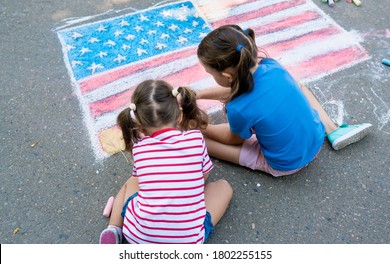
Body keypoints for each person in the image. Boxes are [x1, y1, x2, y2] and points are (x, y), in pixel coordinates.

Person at [195, 24, 372, 177]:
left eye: (210, 73)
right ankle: (332, 130)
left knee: (202, 140)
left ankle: (194, 135)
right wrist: (200, 94)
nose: (210, 76)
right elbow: (240, 88)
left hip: (287, 164)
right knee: (296, 90)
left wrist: (200, 126)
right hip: (316, 139)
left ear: (227, 75)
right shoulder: (271, 66)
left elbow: (233, 139)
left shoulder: (238, 108)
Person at [99, 79, 233, 244]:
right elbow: (203, 176)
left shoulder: (140, 148)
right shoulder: (196, 139)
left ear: (139, 126)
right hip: (186, 242)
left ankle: (113, 229)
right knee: (223, 187)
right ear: (180, 114)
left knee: (131, 181)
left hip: (138, 236)